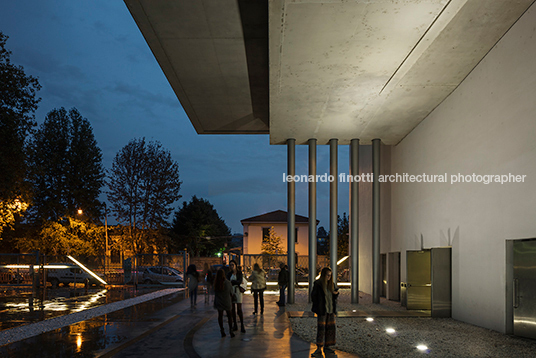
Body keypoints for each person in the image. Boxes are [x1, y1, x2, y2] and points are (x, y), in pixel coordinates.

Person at [310, 267, 339, 356]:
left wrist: (336, 294)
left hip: (330, 310)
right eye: (328, 275)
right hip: (322, 310)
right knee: (321, 329)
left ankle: (328, 346)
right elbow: (313, 296)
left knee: (330, 329)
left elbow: (333, 297)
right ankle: (319, 347)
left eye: (330, 275)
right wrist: (318, 306)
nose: (329, 277)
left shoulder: (332, 284)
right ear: (323, 275)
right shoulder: (318, 284)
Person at [213, 268, 235, 338]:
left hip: (219, 302)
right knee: (229, 316)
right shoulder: (228, 283)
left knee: (220, 316)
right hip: (227, 301)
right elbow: (231, 293)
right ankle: (231, 330)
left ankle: (222, 330)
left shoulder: (216, 283)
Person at [226, 260, 246, 333]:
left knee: (239, 309)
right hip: (231, 291)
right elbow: (228, 282)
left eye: (232, 265)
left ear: (235, 265)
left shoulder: (239, 273)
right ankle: (235, 324)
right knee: (232, 309)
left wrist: (233, 282)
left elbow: (239, 281)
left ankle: (242, 325)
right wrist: (235, 282)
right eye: (230, 265)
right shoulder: (229, 274)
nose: (231, 266)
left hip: (237, 291)